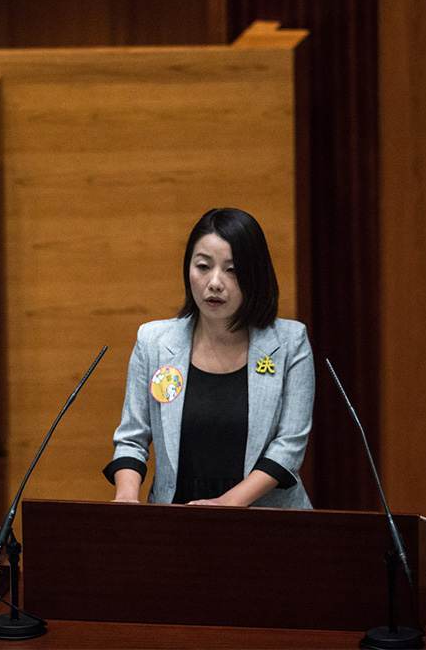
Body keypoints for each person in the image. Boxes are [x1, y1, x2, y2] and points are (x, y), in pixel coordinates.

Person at [103, 208, 314, 508]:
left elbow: (289, 448)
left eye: (232, 269)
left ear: (255, 274)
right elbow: (132, 438)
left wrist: (224, 506)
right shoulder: (153, 342)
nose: (215, 282)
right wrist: (126, 498)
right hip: (176, 517)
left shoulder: (290, 343)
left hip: (267, 522)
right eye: (203, 266)